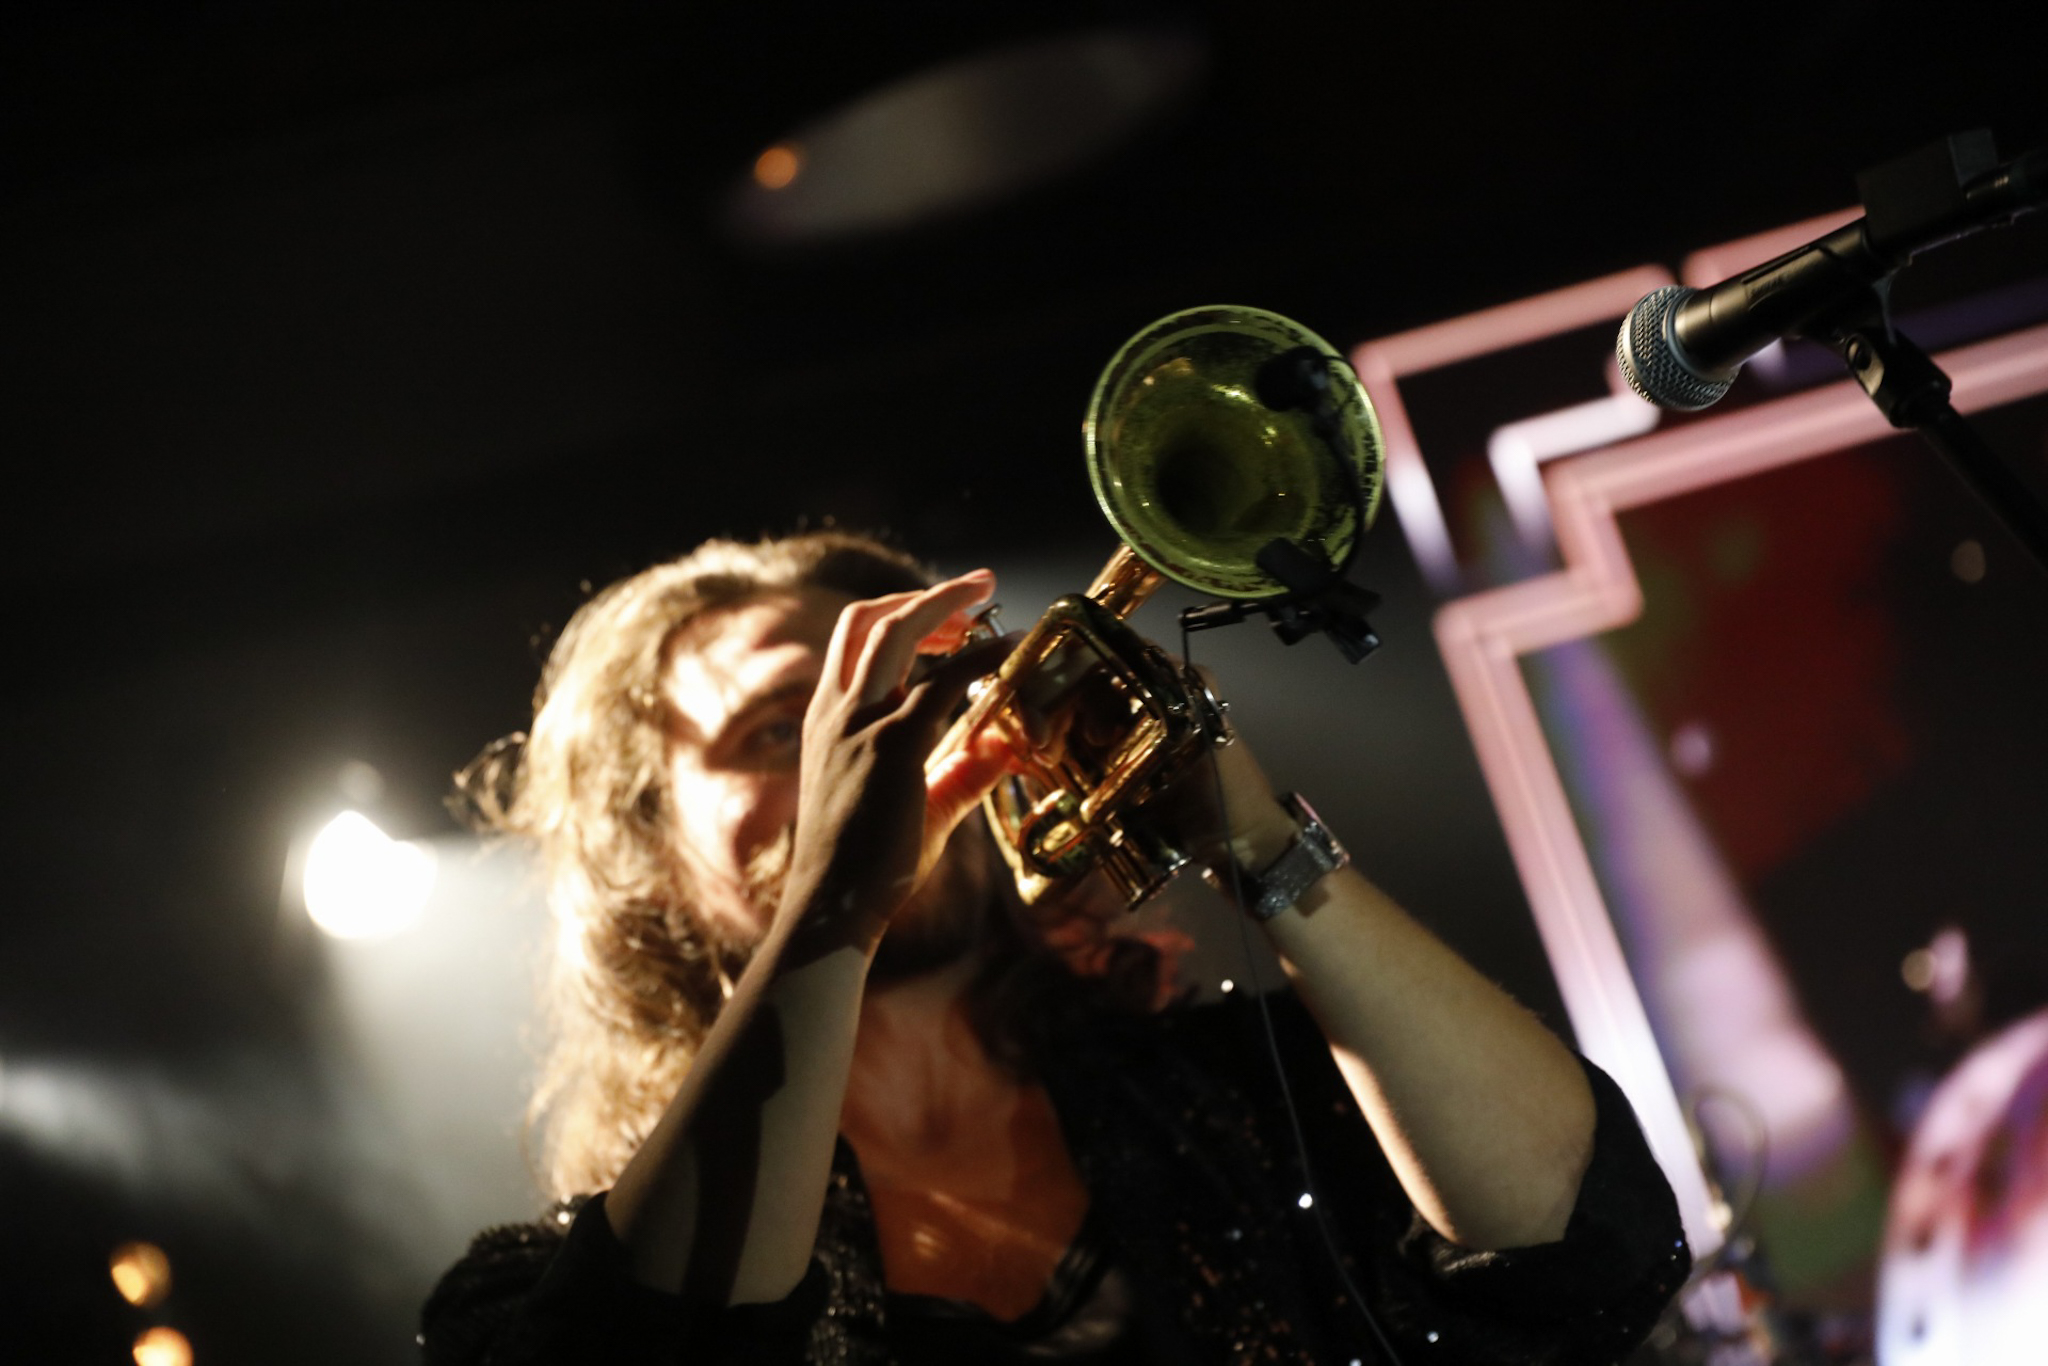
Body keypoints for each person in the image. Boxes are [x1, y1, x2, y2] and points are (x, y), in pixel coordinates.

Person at [420, 531, 1690, 1365]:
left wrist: (1259, 844)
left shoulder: (1252, 1089)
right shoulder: (545, 1292)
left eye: (906, 698)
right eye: (777, 732)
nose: (880, 749)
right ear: (644, 854)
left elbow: (1585, 1249)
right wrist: (830, 904)